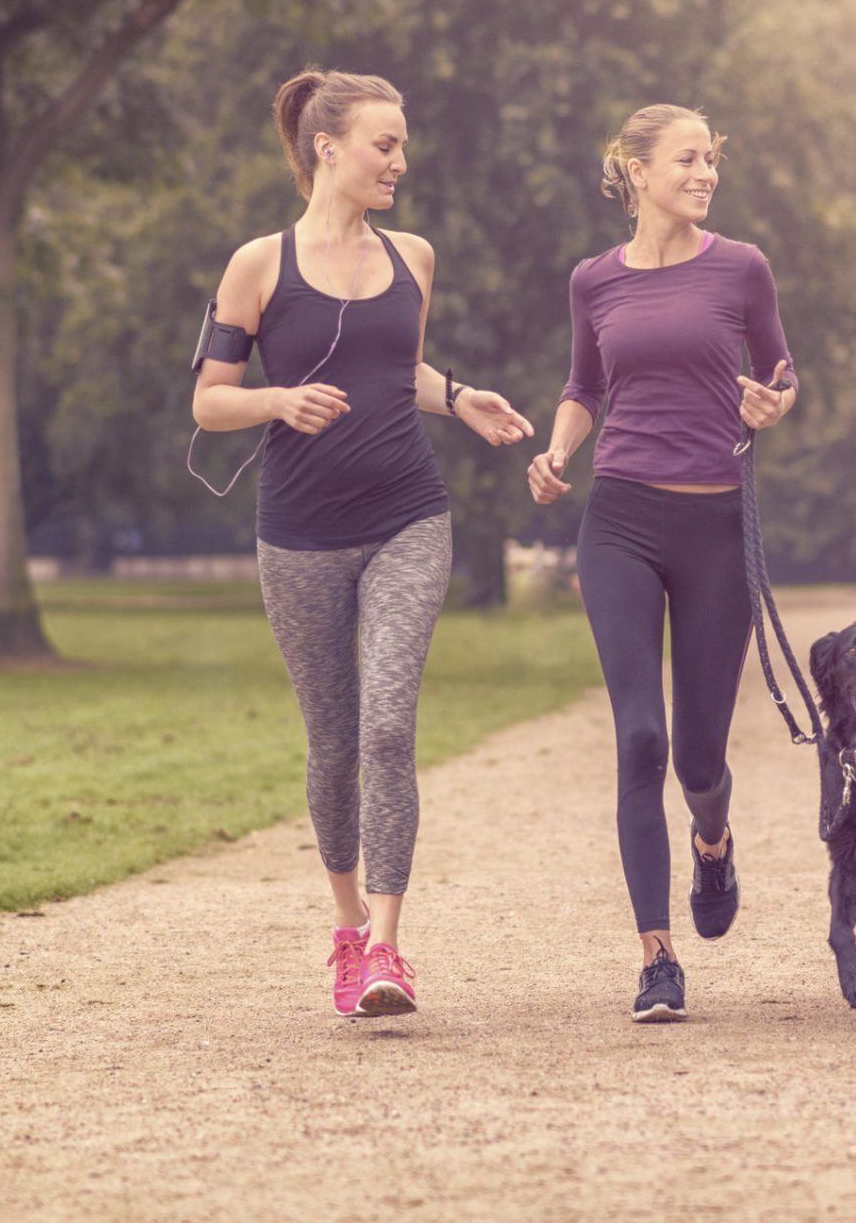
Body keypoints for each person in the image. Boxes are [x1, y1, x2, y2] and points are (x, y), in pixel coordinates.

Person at [191, 69, 533, 1019]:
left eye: (403, 144)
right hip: (298, 535)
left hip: (406, 517)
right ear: (326, 147)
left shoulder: (413, 256)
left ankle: (388, 946)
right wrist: (277, 399)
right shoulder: (258, 265)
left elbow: (399, 367)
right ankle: (346, 929)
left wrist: (460, 398)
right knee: (333, 740)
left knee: (387, 726)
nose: (400, 161)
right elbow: (209, 400)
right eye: (385, 143)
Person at [528, 104, 795, 1023]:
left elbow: (783, 370)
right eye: (687, 159)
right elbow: (584, 386)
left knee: (700, 755)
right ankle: (656, 955)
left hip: (718, 526)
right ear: (635, 171)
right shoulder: (594, 281)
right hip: (623, 522)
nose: (705, 173)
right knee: (640, 734)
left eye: (712, 160)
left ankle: (712, 841)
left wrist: (772, 405)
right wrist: (560, 452)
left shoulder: (742, 267)